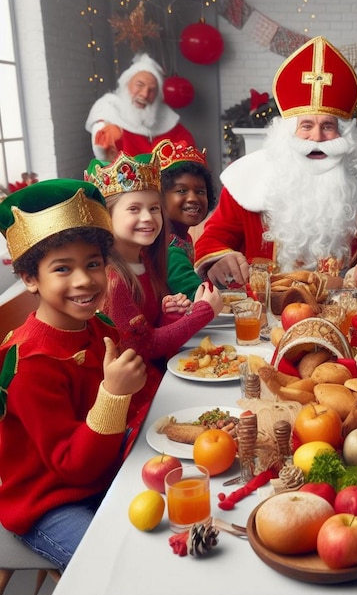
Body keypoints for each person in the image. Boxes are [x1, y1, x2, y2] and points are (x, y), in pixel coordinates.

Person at [0, 180, 147, 569]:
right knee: (114, 569)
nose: (84, 280)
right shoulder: (29, 364)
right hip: (47, 501)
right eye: (62, 268)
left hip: (102, 472)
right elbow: (72, 465)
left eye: (93, 263)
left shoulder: (100, 328)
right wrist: (114, 396)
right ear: (31, 278)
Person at [193, 36, 357, 290]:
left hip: (341, 301)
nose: (317, 138)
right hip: (266, 302)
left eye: (328, 126)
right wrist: (221, 259)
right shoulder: (248, 179)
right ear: (286, 133)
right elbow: (214, 238)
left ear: (346, 135)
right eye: (306, 126)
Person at [85, 149, 222, 395]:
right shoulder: (114, 280)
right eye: (134, 209)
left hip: (156, 374)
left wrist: (168, 314)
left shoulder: (146, 259)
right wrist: (202, 312)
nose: (148, 218)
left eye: (154, 208)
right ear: (107, 217)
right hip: (132, 393)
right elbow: (143, 346)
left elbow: (147, 328)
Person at [85, 53, 196, 162]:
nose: (145, 94)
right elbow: (103, 161)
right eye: (140, 85)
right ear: (126, 84)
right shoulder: (110, 116)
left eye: (152, 90)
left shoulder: (171, 125)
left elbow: (189, 157)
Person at [155, 139, 217, 299]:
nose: (193, 198)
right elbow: (200, 298)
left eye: (201, 192)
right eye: (182, 190)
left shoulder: (181, 237)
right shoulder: (170, 249)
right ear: (159, 197)